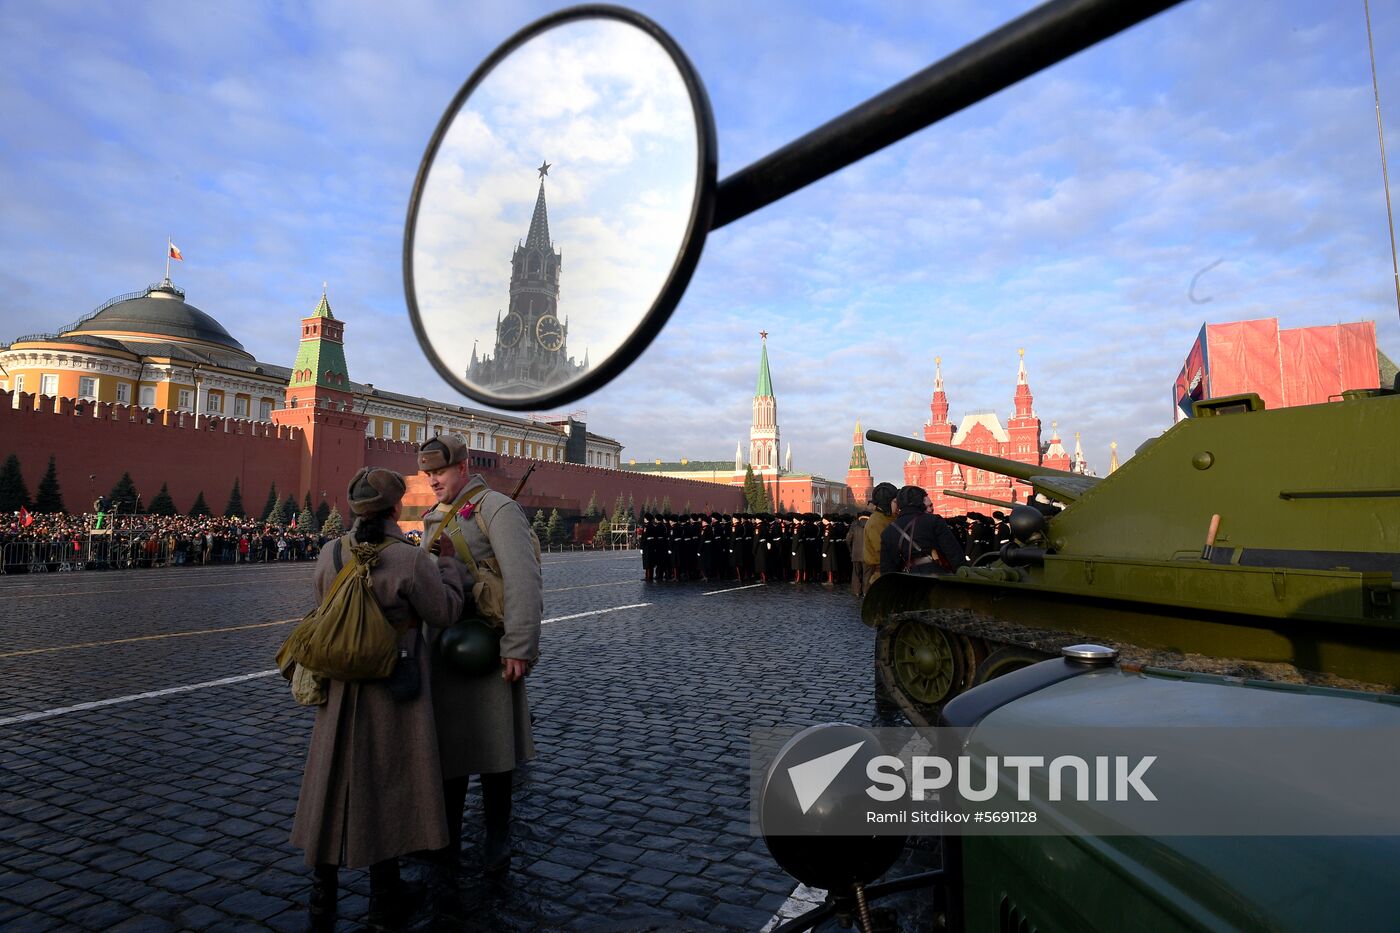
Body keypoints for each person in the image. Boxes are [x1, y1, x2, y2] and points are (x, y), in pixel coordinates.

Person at [290, 467, 466, 931]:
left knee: (331, 784)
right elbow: (444, 612)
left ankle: (320, 896)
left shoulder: (331, 552)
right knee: (389, 785)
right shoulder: (407, 559)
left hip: (341, 689)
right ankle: (385, 898)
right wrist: (448, 566)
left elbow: (322, 603)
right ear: (393, 509)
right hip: (393, 687)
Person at [418, 434, 541, 877]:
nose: (433, 481)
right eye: (428, 473)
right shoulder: (433, 517)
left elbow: (524, 579)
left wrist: (520, 645)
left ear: (464, 466)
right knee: (448, 748)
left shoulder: (496, 509)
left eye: (441, 472)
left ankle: (496, 834)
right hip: (445, 650)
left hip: (488, 648)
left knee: (494, 748)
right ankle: (445, 833)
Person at [880, 484, 967, 576]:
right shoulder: (934, 521)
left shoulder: (888, 532)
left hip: (905, 581)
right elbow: (954, 553)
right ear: (921, 502)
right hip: (936, 578)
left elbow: (887, 570)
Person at [864, 482, 898, 587]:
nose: (898, 505)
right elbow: (882, 550)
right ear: (886, 502)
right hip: (883, 576)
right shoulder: (876, 522)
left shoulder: (889, 518)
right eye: (895, 501)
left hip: (890, 573)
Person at [846, 511, 870, 595]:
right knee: (867, 574)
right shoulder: (871, 524)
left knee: (856, 574)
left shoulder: (854, 525)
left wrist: (851, 551)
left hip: (855, 554)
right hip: (868, 554)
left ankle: (856, 591)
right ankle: (866, 592)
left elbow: (848, 539)